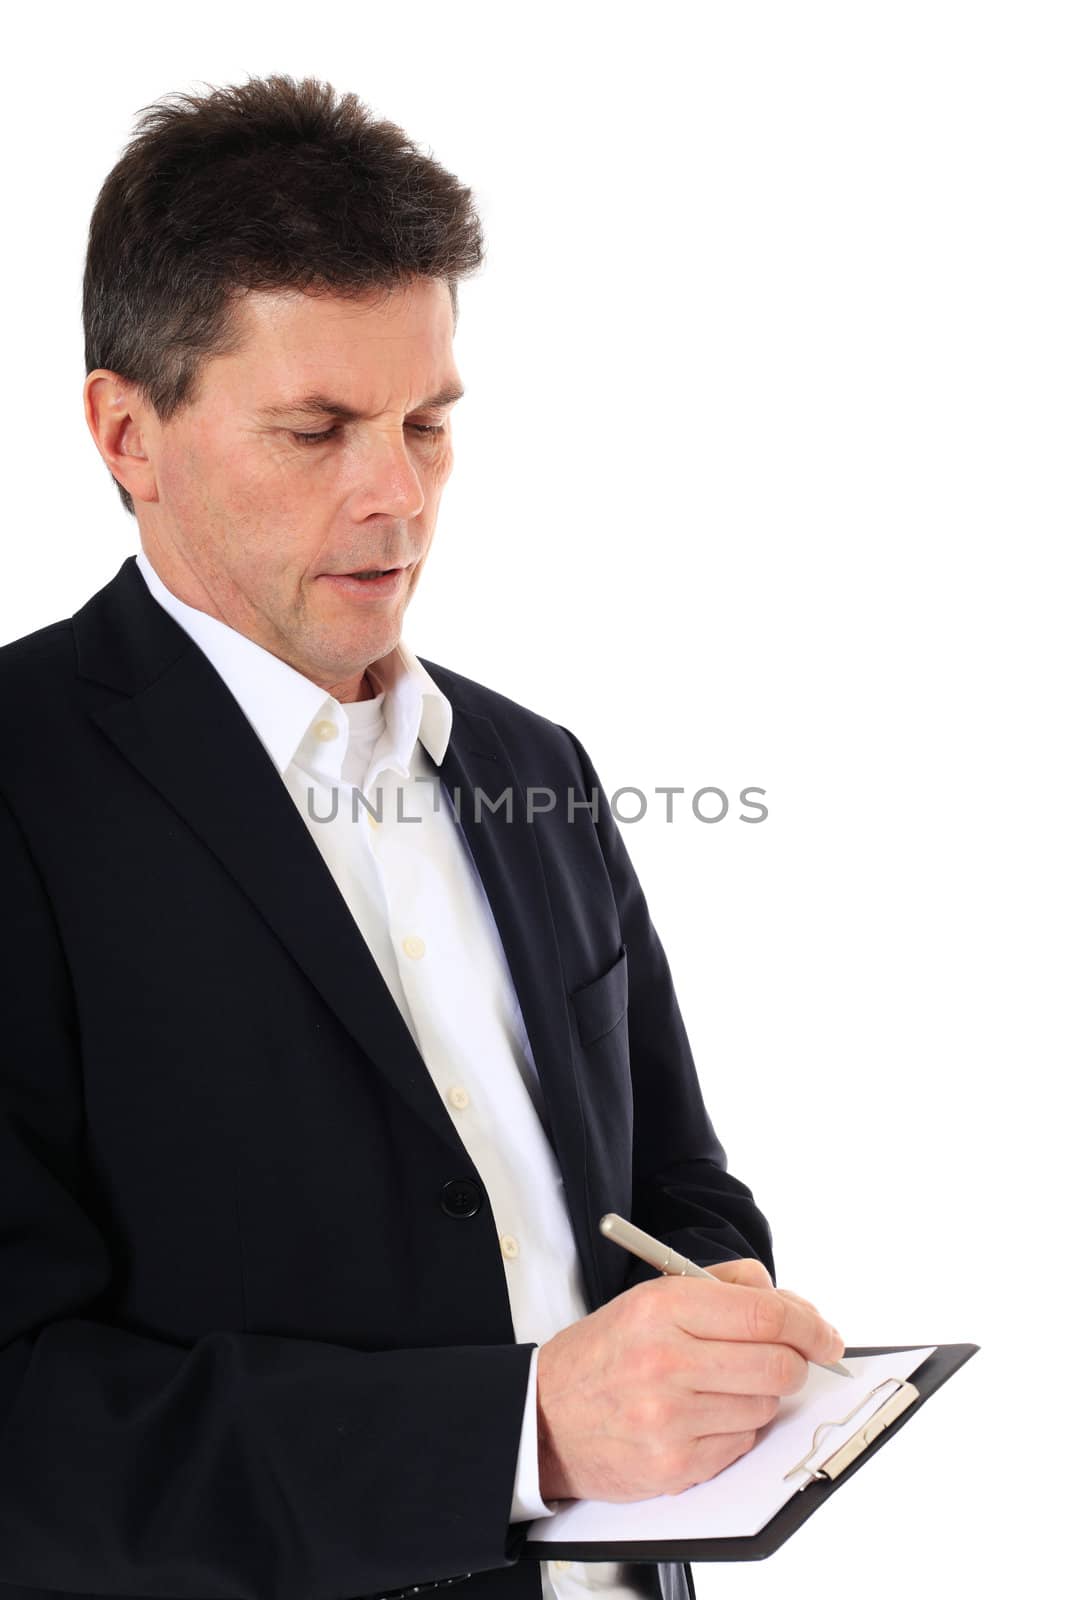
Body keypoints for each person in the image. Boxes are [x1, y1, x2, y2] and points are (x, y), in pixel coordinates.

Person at [0, 75, 844, 1600]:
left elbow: (672, 1178)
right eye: (316, 429)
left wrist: (719, 1309)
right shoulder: (19, 779)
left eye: (427, 424)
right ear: (127, 432)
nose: (398, 497)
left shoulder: (536, 764)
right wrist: (524, 1431)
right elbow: (25, 1426)